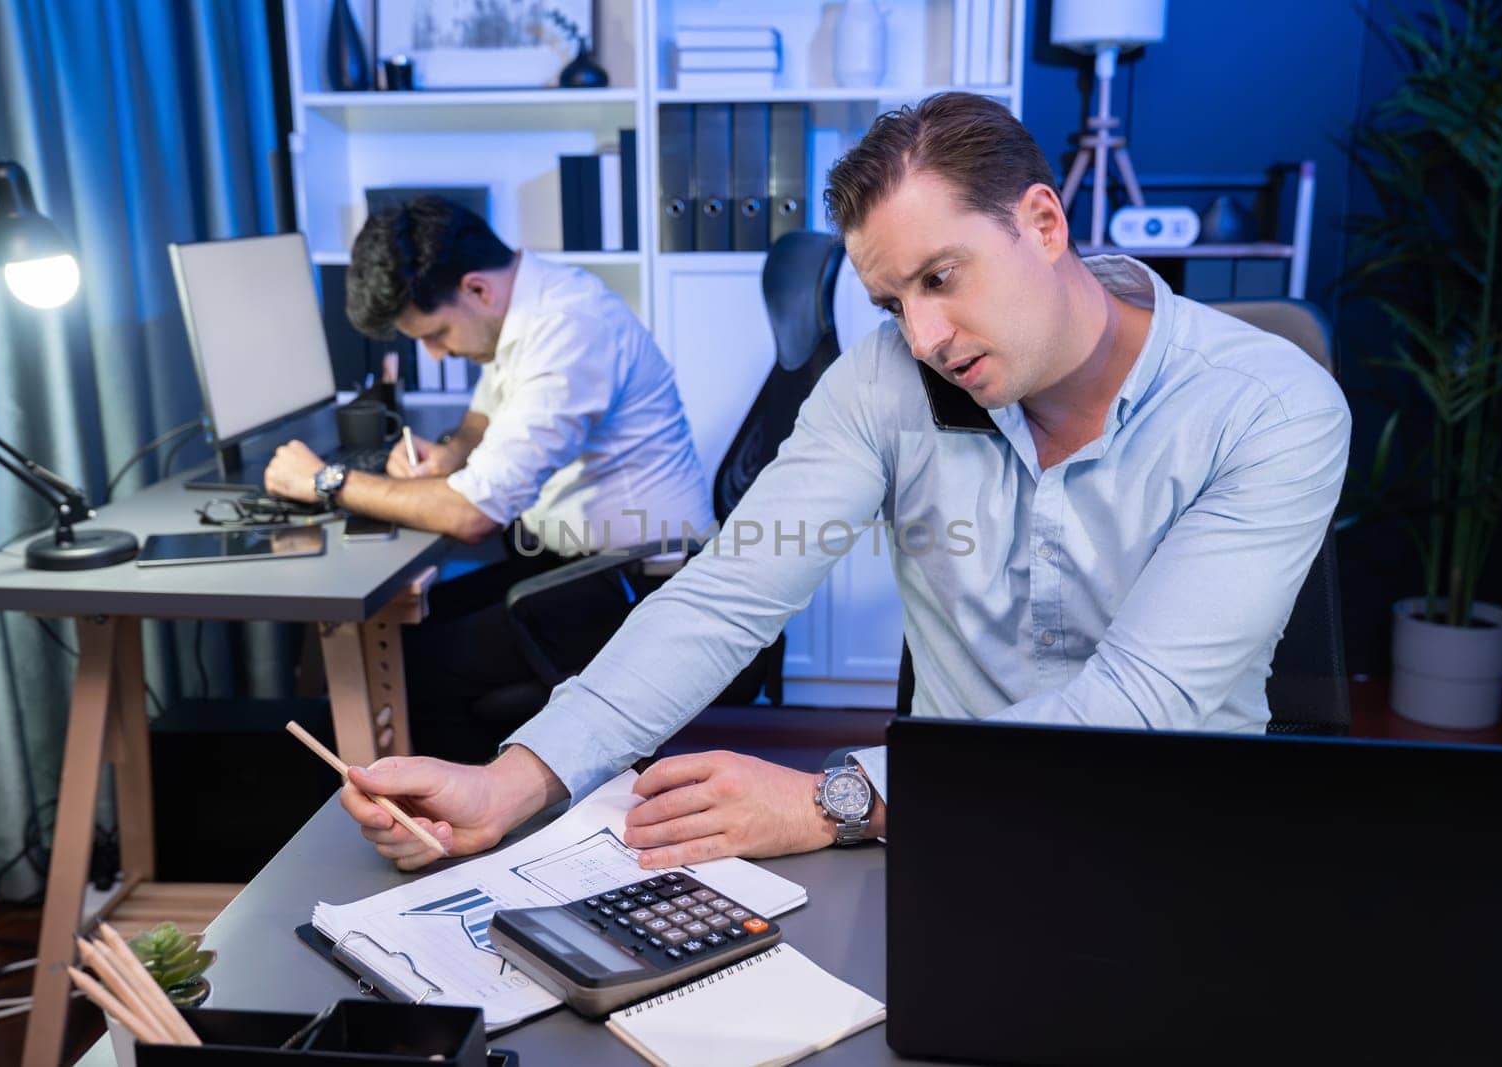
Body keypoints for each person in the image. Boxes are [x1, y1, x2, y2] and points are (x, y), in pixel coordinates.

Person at [336, 92, 1351, 871]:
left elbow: (1145, 701)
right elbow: (730, 590)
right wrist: (517, 778)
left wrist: (839, 797)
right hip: (945, 836)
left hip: (1167, 832)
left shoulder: (1269, 405)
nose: (926, 338)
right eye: (890, 301)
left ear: (1042, 224)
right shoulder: (884, 377)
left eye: (941, 277)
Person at [264, 198, 713, 760]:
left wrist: (328, 481)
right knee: (393, 638)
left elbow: (472, 517)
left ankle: (468, 832)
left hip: (633, 589)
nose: (435, 351)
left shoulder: (569, 329)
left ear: (476, 289)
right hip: (569, 563)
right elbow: (483, 418)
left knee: (405, 669)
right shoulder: (525, 303)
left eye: (436, 333)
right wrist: (447, 458)